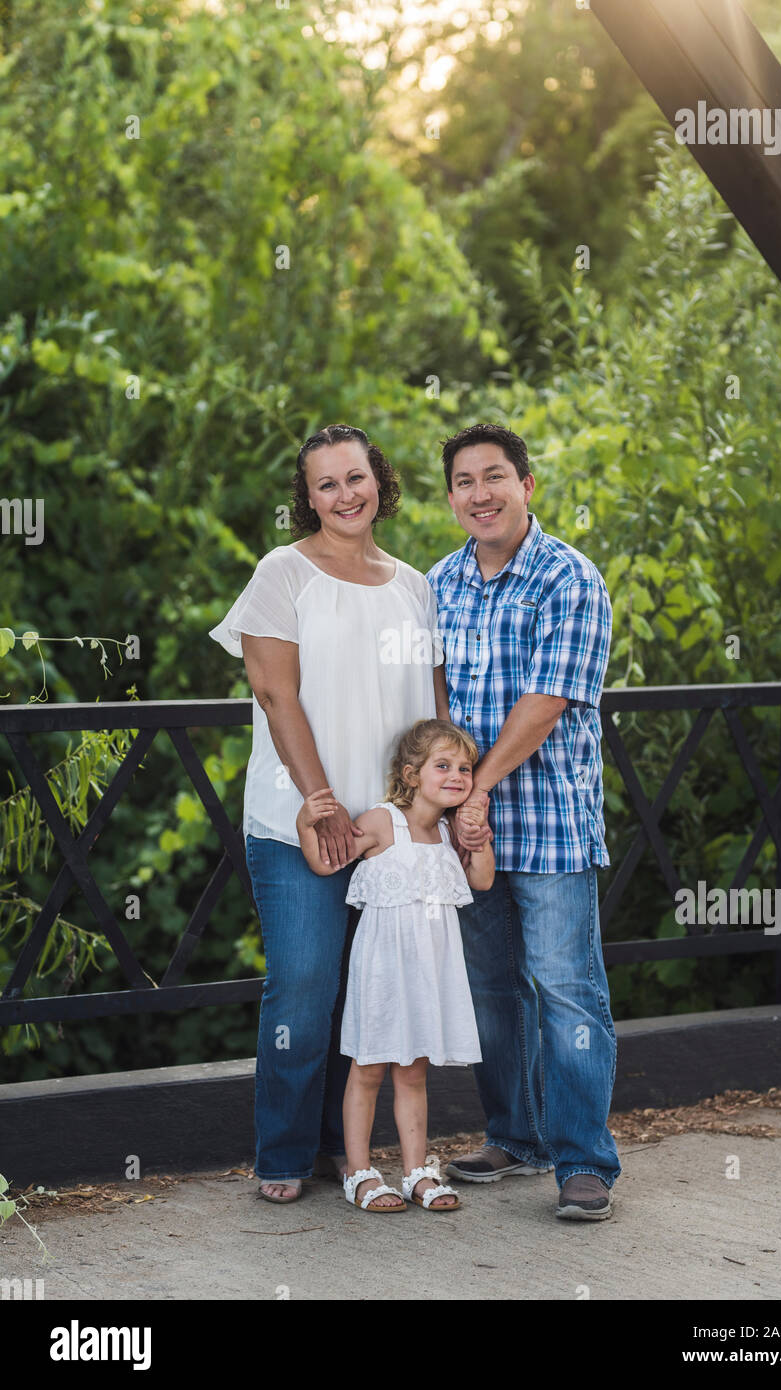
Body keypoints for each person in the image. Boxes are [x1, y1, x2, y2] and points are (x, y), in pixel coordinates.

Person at [208, 424, 475, 1204]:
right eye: (325, 484)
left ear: (378, 481)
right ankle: (285, 1153)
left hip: (391, 835)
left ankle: (342, 1150)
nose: (344, 495)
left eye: (354, 477)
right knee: (304, 984)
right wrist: (318, 800)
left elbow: (432, 711)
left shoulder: (413, 584)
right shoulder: (280, 574)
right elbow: (274, 692)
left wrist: (435, 808)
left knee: (367, 992)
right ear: (309, 497)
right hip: (301, 822)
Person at [426, 421, 621, 1220]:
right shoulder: (436, 582)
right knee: (490, 990)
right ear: (450, 499)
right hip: (466, 829)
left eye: (495, 476)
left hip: (547, 822)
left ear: (526, 485)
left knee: (565, 989)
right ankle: (514, 1136)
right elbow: (432, 691)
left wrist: (476, 787)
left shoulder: (570, 579)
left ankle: (583, 1163)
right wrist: (449, 794)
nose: (481, 493)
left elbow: (543, 705)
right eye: (465, 481)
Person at [295, 719, 495, 1212]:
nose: (457, 775)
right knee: (367, 1068)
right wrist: (305, 824)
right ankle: (360, 1173)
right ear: (410, 773)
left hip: (429, 971)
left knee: (413, 1071)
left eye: (465, 769)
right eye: (442, 766)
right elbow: (326, 863)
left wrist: (480, 836)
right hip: (383, 968)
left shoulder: (450, 832)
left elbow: (484, 880)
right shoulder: (384, 821)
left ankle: (415, 1173)